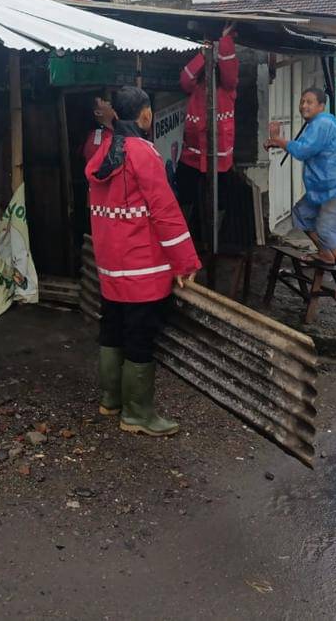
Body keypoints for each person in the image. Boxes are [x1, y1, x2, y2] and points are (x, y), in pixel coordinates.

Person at [86, 86, 201, 437]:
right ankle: (137, 414)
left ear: (115, 115)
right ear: (146, 115)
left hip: (111, 266)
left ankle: (111, 400)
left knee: (112, 328)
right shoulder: (144, 154)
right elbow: (165, 212)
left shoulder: (102, 150)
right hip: (143, 269)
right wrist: (186, 263)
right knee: (139, 337)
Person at [265, 87, 336, 300]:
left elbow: (303, 150)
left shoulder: (322, 123)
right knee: (302, 213)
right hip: (325, 187)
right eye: (302, 101)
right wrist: (279, 142)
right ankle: (325, 253)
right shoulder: (316, 124)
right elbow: (303, 147)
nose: (304, 105)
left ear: (321, 106)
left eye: (309, 102)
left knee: (326, 227)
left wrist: (278, 140)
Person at [175, 22, 239, 228]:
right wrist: (205, 52)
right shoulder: (195, 89)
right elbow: (185, 78)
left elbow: (229, 69)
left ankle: (214, 240)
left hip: (219, 159)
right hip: (192, 156)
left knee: (219, 201)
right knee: (185, 197)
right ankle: (185, 237)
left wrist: (224, 40)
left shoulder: (229, 89)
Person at [81, 90, 116, 164]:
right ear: (98, 112)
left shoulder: (116, 130)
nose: (108, 103)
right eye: (102, 101)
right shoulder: (97, 140)